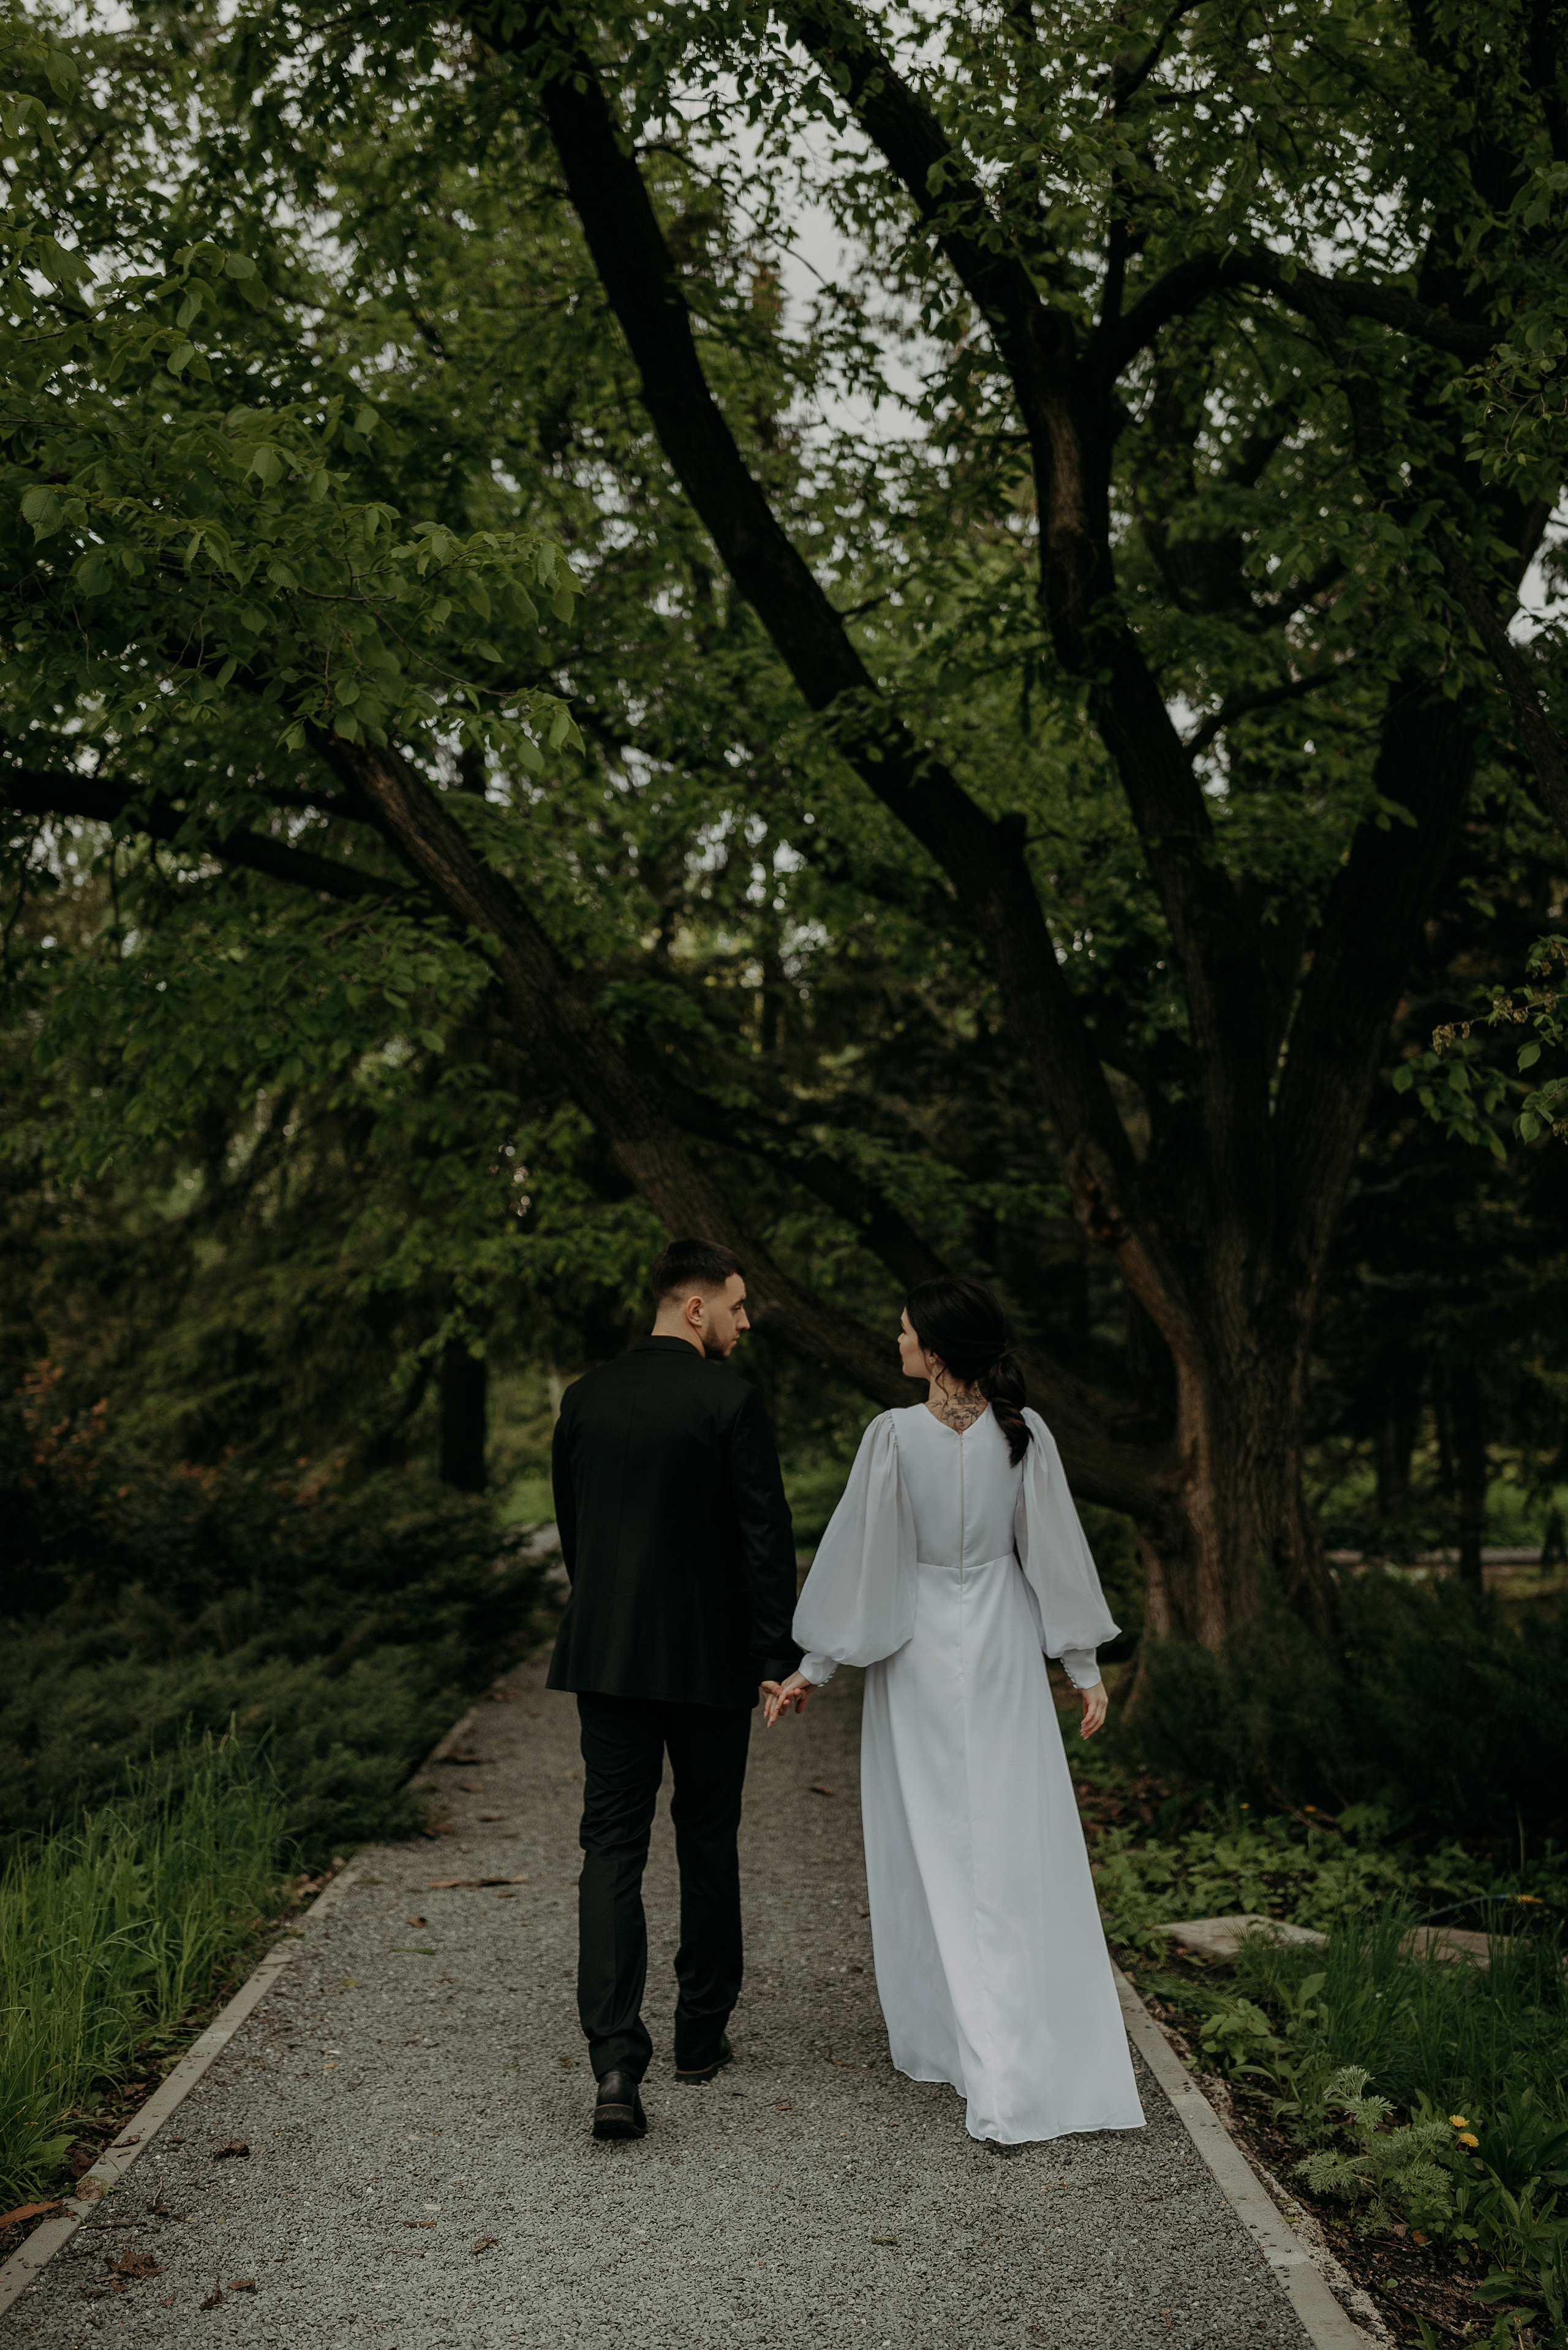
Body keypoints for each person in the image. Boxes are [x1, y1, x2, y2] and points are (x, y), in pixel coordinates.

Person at [763, 1277, 1145, 2149]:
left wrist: (813, 1666)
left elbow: (862, 1560)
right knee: (1005, 1840)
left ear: (936, 1351)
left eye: (904, 1333)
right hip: (1003, 1641)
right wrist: (1081, 1666)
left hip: (922, 1650)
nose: (894, 1341)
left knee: (936, 1844)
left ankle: (983, 2051)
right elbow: (1052, 1552)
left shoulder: (895, 1436)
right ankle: (991, 2033)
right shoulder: (1026, 1429)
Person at [548, 1237, 801, 2142]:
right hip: (707, 1660)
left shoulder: (586, 1399)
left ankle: (616, 2058)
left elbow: (577, 1537)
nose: (743, 1322)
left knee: (610, 1845)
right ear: (695, 1308)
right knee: (707, 1833)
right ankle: (701, 2035)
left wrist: (611, 1615)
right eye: (735, 1306)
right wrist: (776, 1653)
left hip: (608, 1657)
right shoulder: (730, 1402)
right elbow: (763, 1540)